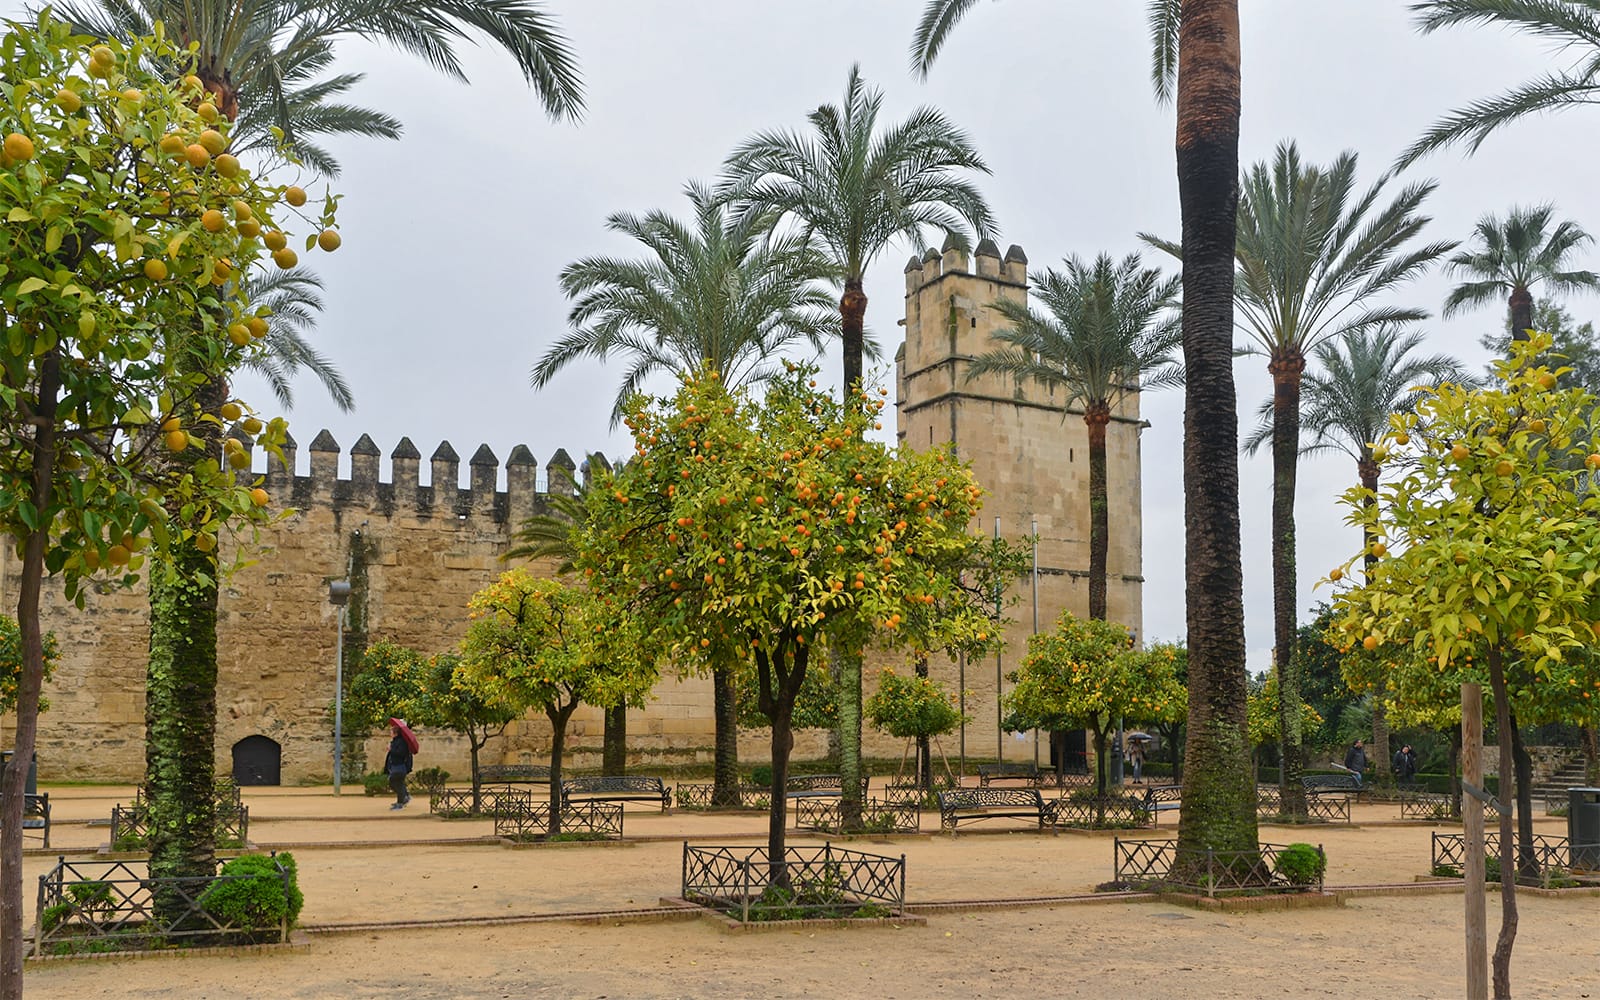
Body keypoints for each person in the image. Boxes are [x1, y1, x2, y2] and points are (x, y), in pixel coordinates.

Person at [385, 720, 414, 809]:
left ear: (395, 733)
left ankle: (401, 801)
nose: (390, 733)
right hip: (394, 766)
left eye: (391, 731)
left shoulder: (401, 742)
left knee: (395, 783)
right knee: (397, 783)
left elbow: (401, 753)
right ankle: (404, 797)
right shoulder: (395, 741)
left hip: (400, 766)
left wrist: (391, 749)